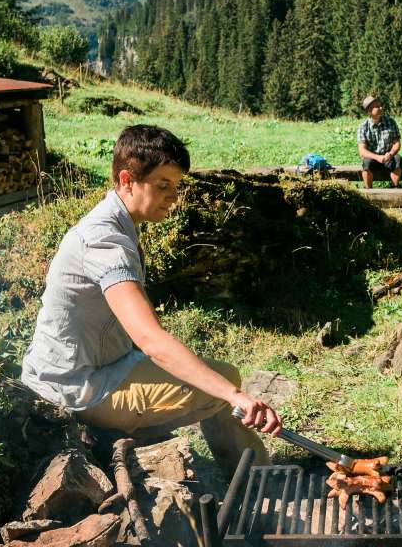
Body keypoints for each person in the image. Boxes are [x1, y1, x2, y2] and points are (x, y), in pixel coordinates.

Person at [20, 125, 281, 475]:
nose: (173, 196)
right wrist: (233, 396)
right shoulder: (104, 242)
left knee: (218, 380)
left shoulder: (116, 224)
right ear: (127, 180)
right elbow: (150, 340)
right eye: (163, 185)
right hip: (78, 388)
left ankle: (252, 474)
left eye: (175, 186)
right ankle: (257, 481)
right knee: (223, 384)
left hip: (96, 367)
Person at [356, 95, 402, 188]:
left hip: (388, 156)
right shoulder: (363, 127)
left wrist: (391, 154)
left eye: (380, 105)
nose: (381, 108)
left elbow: (397, 143)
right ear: (369, 111)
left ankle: (395, 188)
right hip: (373, 158)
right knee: (366, 163)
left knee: (397, 159)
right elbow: (362, 151)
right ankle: (369, 191)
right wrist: (377, 157)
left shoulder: (390, 122)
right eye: (377, 106)